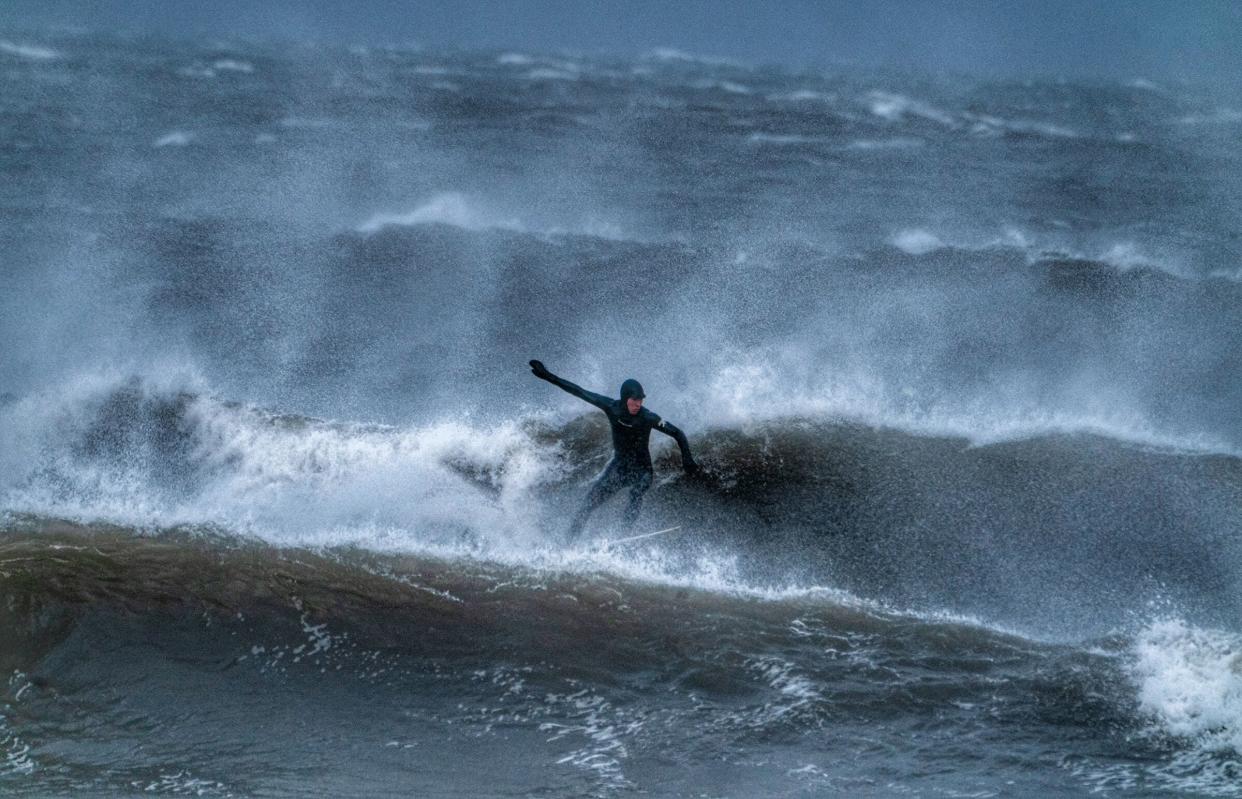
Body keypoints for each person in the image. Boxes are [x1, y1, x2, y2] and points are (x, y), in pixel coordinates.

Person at [529, 359, 698, 539]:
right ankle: (568, 543)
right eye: (634, 400)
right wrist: (548, 376)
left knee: (636, 492)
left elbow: (677, 433)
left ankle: (623, 536)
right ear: (626, 398)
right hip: (619, 468)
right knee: (588, 504)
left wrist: (687, 458)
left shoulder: (648, 417)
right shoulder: (611, 407)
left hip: (642, 470)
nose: (638, 404)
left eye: (640, 400)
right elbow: (579, 391)